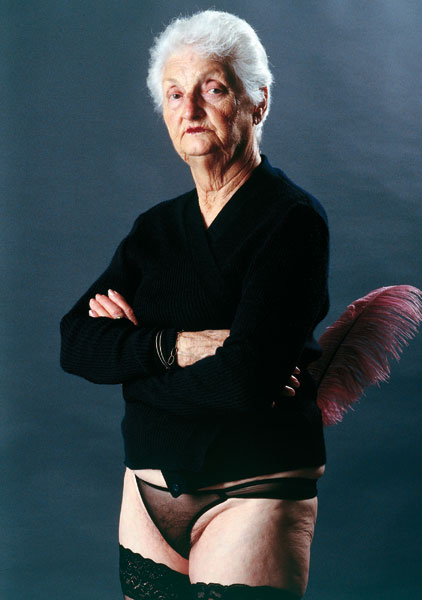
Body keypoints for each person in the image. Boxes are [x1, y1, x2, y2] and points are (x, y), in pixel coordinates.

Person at [60, 10, 329, 600]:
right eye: (175, 94)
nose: (190, 110)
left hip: (252, 489)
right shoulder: (154, 230)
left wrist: (132, 371)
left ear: (258, 102)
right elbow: (75, 343)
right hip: (148, 493)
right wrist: (176, 347)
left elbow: (242, 382)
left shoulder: (291, 222)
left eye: (213, 89)